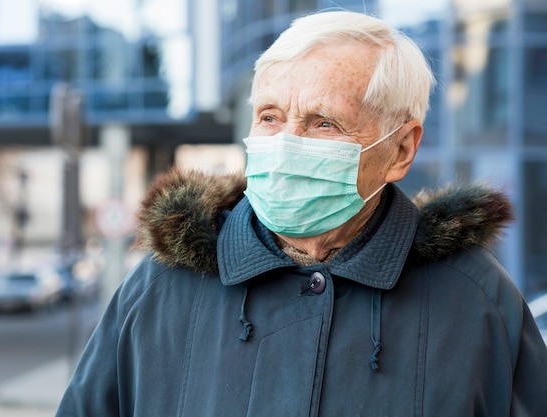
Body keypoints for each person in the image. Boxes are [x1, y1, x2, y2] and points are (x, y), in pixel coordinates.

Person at [55, 10, 547, 417]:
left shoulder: (477, 301)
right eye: (269, 117)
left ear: (400, 150)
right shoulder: (159, 288)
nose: (285, 144)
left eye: (324, 123)